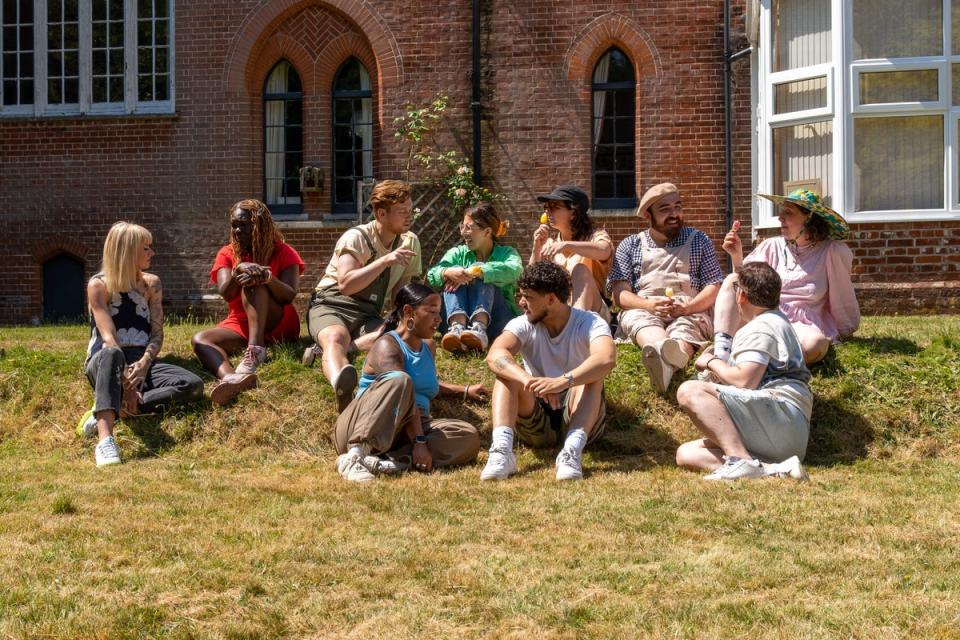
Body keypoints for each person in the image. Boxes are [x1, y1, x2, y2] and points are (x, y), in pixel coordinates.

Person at [79, 222, 203, 466]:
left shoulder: (152, 284)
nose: (151, 253)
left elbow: (157, 334)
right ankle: (106, 441)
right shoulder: (98, 285)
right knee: (113, 355)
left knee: (193, 385)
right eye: (145, 248)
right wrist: (126, 382)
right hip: (105, 358)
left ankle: (115, 408)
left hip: (141, 359)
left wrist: (145, 363)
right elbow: (108, 337)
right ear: (127, 251)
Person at [333, 283, 485, 483]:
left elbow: (426, 384)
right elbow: (404, 389)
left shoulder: (428, 346)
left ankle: (391, 463)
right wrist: (419, 442)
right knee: (400, 380)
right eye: (431, 311)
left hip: (406, 431)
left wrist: (464, 390)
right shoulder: (386, 345)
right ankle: (354, 457)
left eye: (439, 312)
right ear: (408, 311)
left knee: (467, 436)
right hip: (364, 426)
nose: (438, 319)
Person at [675, 262, 811, 481]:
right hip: (790, 429)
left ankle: (740, 461)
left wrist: (711, 362)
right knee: (687, 454)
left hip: (779, 415)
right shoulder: (780, 322)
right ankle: (775, 470)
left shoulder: (760, 326)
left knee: (689, 391)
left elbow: (744, 381)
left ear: (741, 296)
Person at [481, 261, 616, 482]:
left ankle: (571, 452)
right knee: (506, 374)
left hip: (580, 411)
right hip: (537, 414)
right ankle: (502, 452)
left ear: (551, 299)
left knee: (593, 377)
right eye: (521, 295)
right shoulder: (523, 323)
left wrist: (562, 382)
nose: (521, 302)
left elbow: (606, 359)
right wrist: (529, 380)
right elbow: (495, 355)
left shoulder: (590, 322)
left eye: (528, 297)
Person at [304, 180, 421, 412]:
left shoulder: (410, 242)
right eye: (401, 212)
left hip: (368, 312)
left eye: (410, 210)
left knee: (395, 335)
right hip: (332, 303)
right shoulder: (357, 237)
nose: (409, 216)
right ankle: (342, 382)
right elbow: (346, 284)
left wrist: (400, 321)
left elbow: (400, 290)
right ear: (381, 213)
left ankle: (334, 350)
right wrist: (385, 260)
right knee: (336, 335)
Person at [607, 183, 724, 394]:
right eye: (664, 209)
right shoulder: (630, 245)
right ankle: (664, 352)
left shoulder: (699, 240)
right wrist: (648, 305)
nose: (674, 214)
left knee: (687, 326)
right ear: (647, 215)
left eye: (677, 207)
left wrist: (687, 308)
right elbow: (620, 294)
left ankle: (669, 359)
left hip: (689, 307)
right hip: (645, 307)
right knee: (638, 319)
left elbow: (713, 286)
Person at [721, 189, 859, 365]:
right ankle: (722, 351)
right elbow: (746, 285)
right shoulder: (772, 246)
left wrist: (845, 328)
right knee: (732, 280)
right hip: (764, 317)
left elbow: (842, 295)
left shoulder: (832, 251)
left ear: (809, 218)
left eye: (788, 212)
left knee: (815, 344)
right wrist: (736, 256)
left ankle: (760, 361)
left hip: (803, 327)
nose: (780, 218)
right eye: (781, 212)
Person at [191, 199, 304, 405]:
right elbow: (226, 293)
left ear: (259, 225)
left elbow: (288, 295)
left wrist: (267, 278)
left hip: (277, 320)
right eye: (234, 224)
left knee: (255, 283)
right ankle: (233, 378)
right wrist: (240, 268)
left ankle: (255, 350)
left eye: (243, 225)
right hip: (241, 323)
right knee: (200, 339)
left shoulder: (283, 251)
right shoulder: (227, 253)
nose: (236, 230)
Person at [427, 202, 523, 353]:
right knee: (452, 276)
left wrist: (478, 271)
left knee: (481, 274)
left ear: (487, 232)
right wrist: (446, 272)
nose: (463, 232)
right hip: (451, 320)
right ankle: (457, 329)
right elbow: (432, 274)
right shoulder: (457, 253)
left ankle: (479, 329)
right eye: (462, 226)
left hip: (497, 321)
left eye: (469, 227)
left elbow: (515, 270)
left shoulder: (507, 253)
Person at [530, 185, 614, 320]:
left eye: (554, 207)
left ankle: (574, 328)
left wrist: (567, 245)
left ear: (573, 213)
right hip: (560, 309)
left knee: (580, 269)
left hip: (594, 311)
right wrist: (536, 248)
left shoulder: (595, 236)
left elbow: (604, 251)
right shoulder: (549, 244)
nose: (547, 213)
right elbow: (531, 281)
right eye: (546, 208)